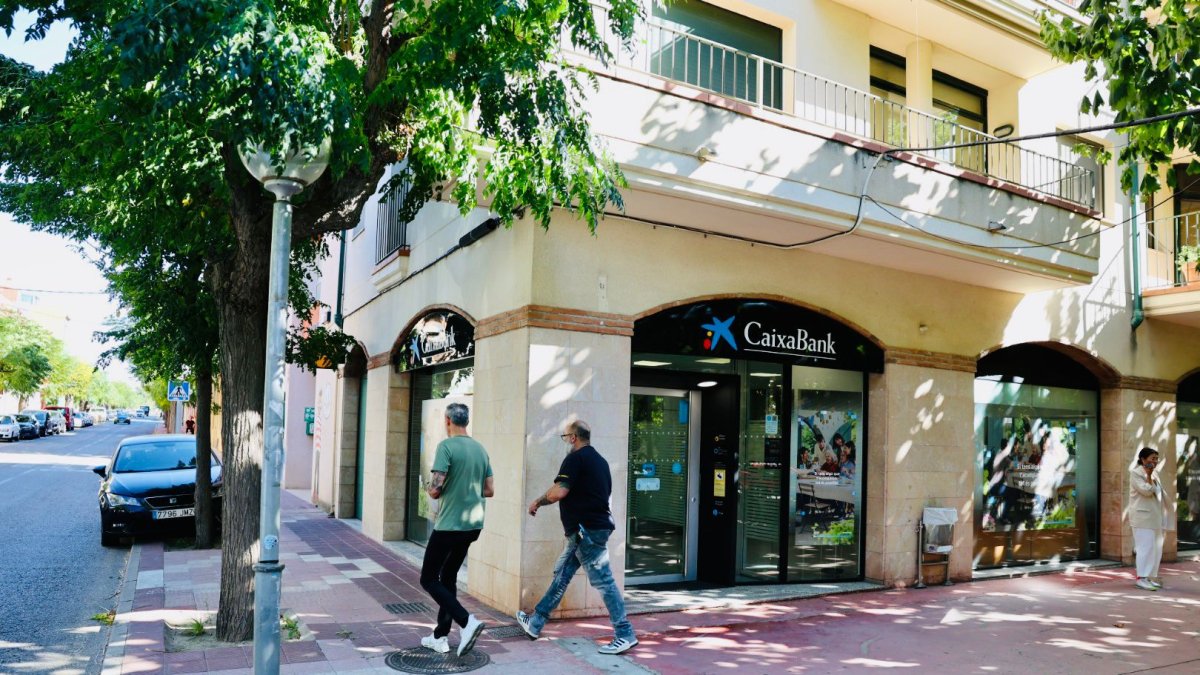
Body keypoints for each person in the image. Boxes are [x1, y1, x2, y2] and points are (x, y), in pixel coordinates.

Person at [515, 420, 637, 655]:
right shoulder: (600, 461)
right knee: (562, 573)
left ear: (573, 438)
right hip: (591, 529)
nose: (565, 441)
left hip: (585, 532)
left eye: (565, 437)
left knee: (604, 581)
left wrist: (537, 502)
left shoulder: (575, 458)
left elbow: (560, 491)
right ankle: (536, 622)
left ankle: (624, 633)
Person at [419, 402, 494, 656]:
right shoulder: (480, 450)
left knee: (428, 578)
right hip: (472, 526)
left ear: (448, 421)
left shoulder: (446, 446)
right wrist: (467, 486)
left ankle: (467, 622)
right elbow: (489, 490)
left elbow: (436, 489)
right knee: (448, 576)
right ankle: (440, 636)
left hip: (449, 525)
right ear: (467, 421)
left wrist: (430, 488)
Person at [1129, 447, 1172, 591]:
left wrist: (1151, 475)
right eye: (1152, 458)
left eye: (1156, 459)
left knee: (1155, 549)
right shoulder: (1135, 473)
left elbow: (1158, 494)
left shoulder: (1155, 474)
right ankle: (1141, 578)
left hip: (1154, 518)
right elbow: (1146, 491)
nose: (1155, 462)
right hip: (1142, 518)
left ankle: (1148, 577)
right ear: (1143, 459)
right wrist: (1148, 475)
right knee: (1145, 548)